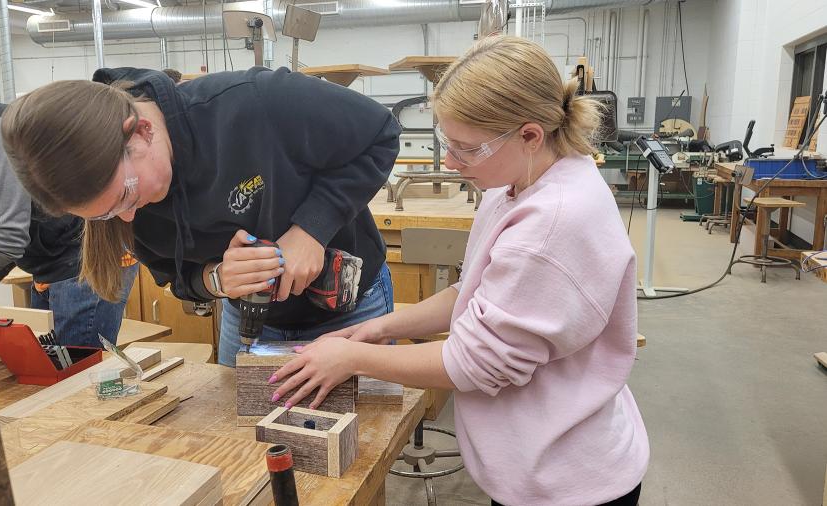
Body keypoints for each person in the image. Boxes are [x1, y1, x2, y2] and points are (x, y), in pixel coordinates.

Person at [269, 36, 650, 506]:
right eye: (448, 144)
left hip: (566, 481)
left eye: (468, 149)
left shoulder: (552, 226)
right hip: (536, 457)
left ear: (530, 135)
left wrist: (352, 359)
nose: (451, 162)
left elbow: (474, 363)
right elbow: (472, 293)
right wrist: (377, 327)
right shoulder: (517, 183)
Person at [0, 68, 400, 367]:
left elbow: (380, 133)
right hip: (248, 320)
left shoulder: (255, 101)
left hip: (349, 310)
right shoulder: (117, 203)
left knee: (355, 455)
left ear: (140, 131)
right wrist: (217, 279)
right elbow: (176, 279)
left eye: (127, 196)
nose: (131, 217)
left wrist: (312, 228)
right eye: (107, 215)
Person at [0, 82, 137, 346]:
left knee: (75, 378)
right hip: (59, 264)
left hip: (84, 259)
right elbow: (12, 239)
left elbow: (2, 242)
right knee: (49, 373)